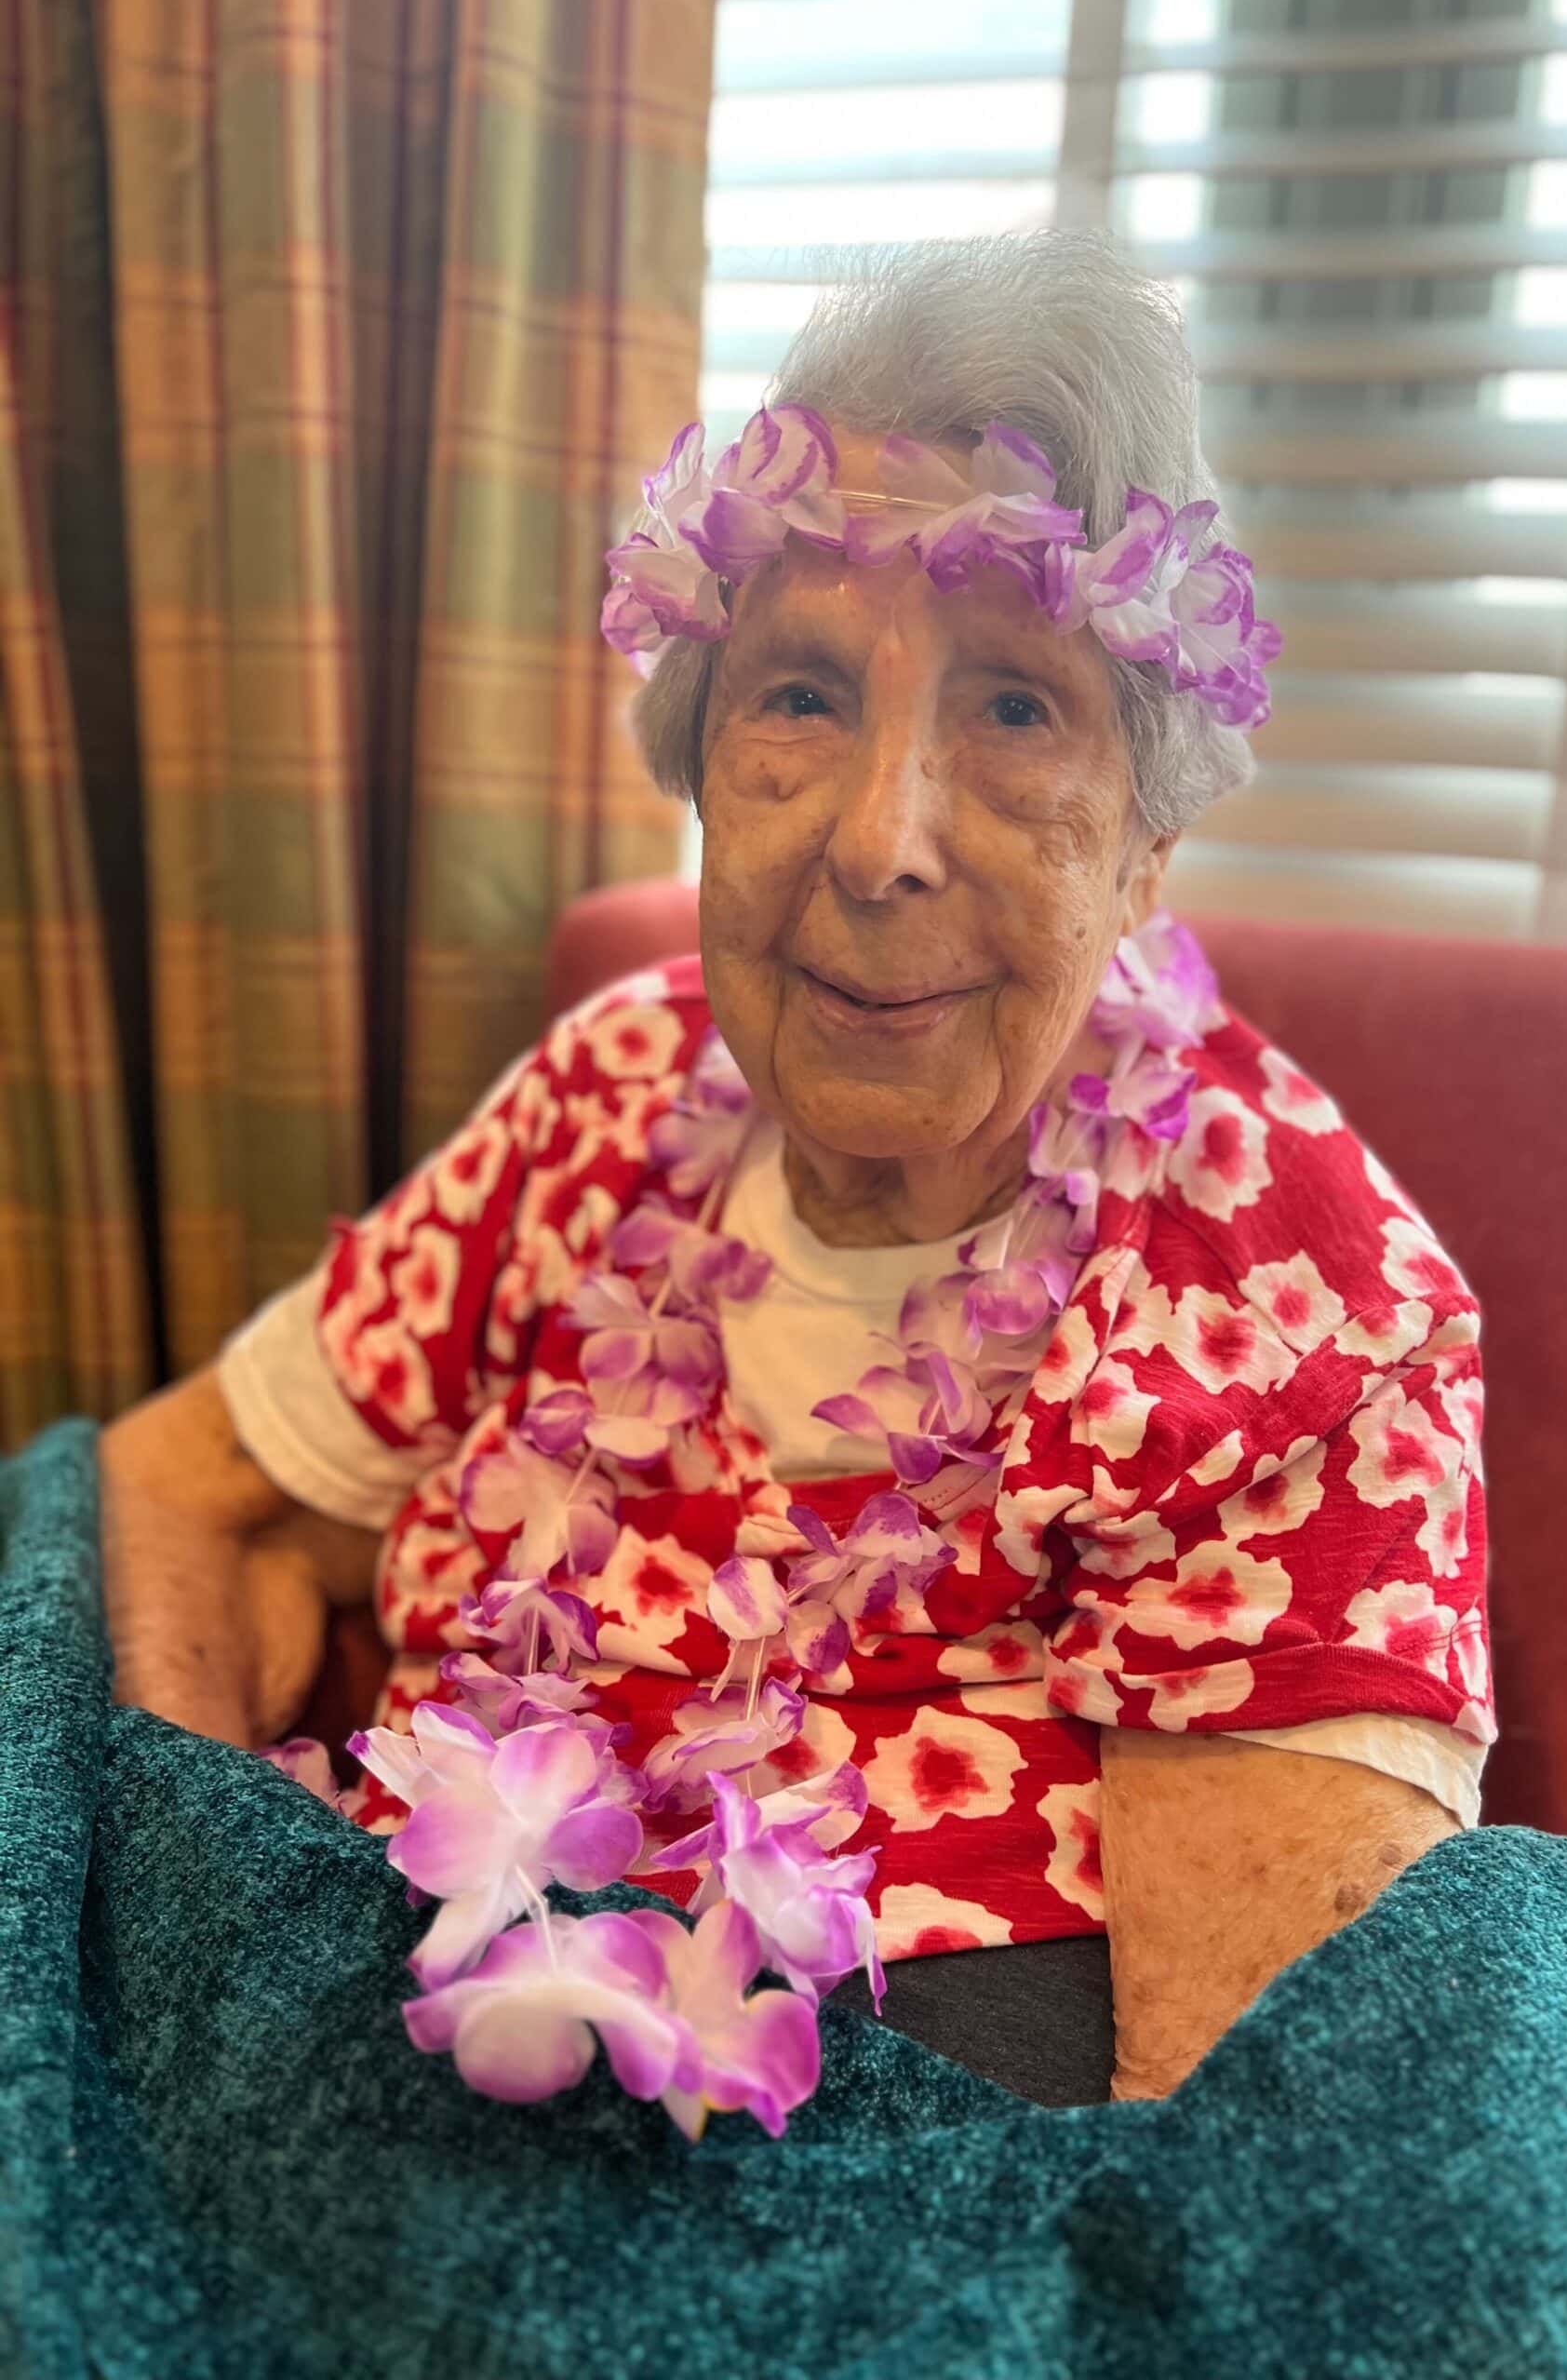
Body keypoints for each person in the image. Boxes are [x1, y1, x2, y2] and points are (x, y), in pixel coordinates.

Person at [100, 231, 1491, 2116]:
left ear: (1148, 837)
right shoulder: (603, 1097)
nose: (881, 838)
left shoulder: (1301, 1310)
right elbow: (178, 1483)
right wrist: (181, 1928)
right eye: (805, 697)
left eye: (1017, 709)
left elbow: (1255, 2149)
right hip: (380, 2034)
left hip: (929, 2158)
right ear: (701, 767)